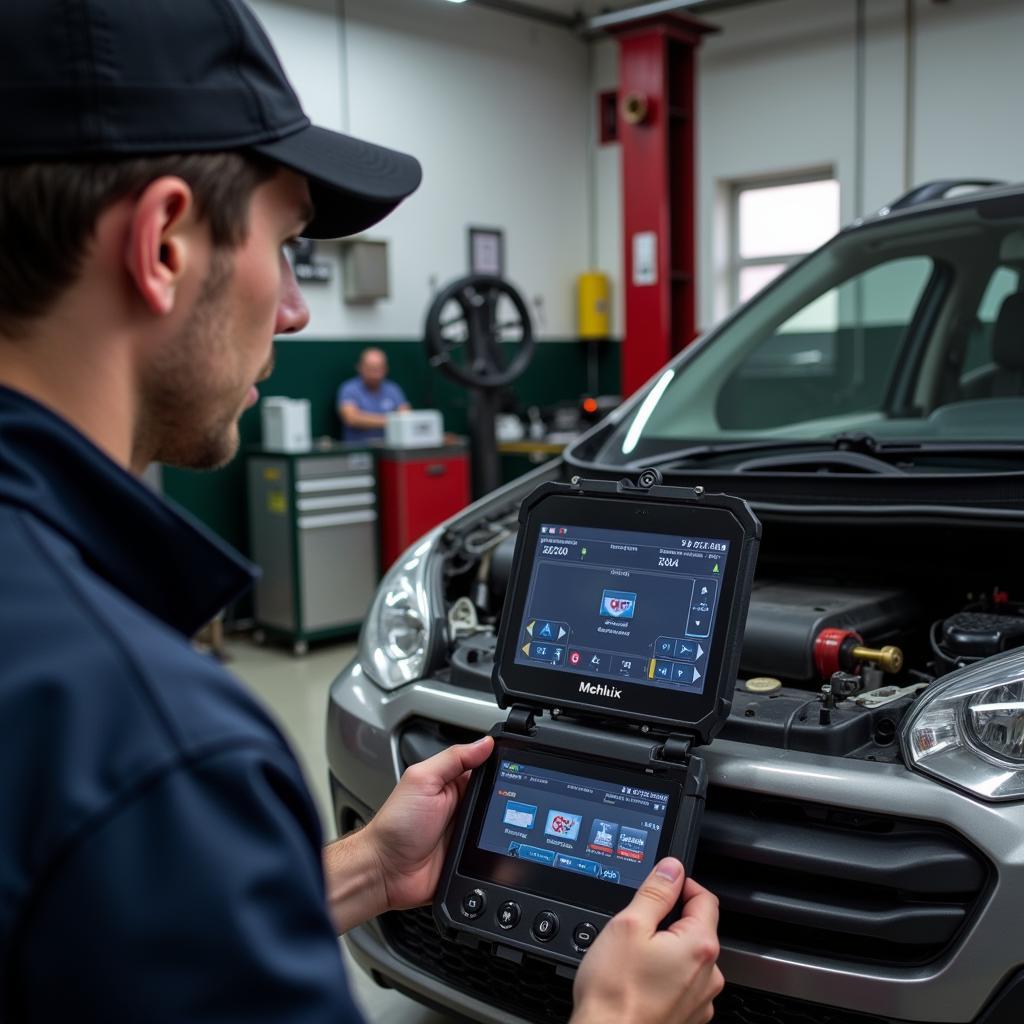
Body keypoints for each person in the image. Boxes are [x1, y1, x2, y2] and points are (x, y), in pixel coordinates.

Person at [0, 2, 724, 1022]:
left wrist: (364, 870)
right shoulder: (147, 742)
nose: (296, 311)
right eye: (286, 245)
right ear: (163, 243)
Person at [337, 347, 410, 442]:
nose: (375, 374)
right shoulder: (349, 388)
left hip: (390, 447)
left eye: (379, 369)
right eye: (371, 369)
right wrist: (391, 421)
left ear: (386, 369)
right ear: (360, 367)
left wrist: (368, 419)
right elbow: (351, 418)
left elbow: (406, 416)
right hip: (359, 449)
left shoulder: (393, 389)